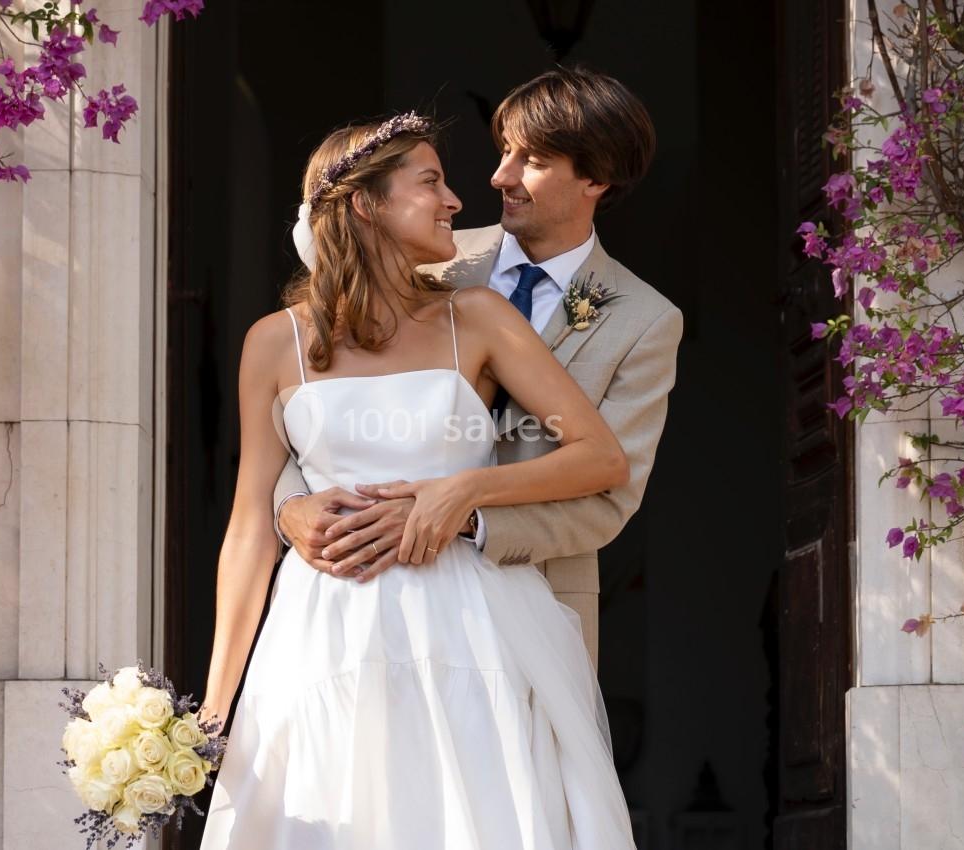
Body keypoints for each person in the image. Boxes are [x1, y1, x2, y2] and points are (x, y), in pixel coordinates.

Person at [199, 112, 638, 848]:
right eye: (430, 181)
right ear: (365, 204)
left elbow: (600, 457)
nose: (455, 201)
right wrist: (213, 709)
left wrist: (462, 491)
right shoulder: (275, 343)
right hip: (324, 633)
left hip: (467, 619)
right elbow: (249, 525)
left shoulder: (479, 318)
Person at [273, 67, 683, 664]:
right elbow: (302, 400)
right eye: (504, 152)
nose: (499, 177)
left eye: (532, 161)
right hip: (363, 594)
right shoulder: (422, 250)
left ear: (597, 177)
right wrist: (290, 509)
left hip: (539, 605)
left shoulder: (645, 320)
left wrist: (464, 516)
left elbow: (610, 496)